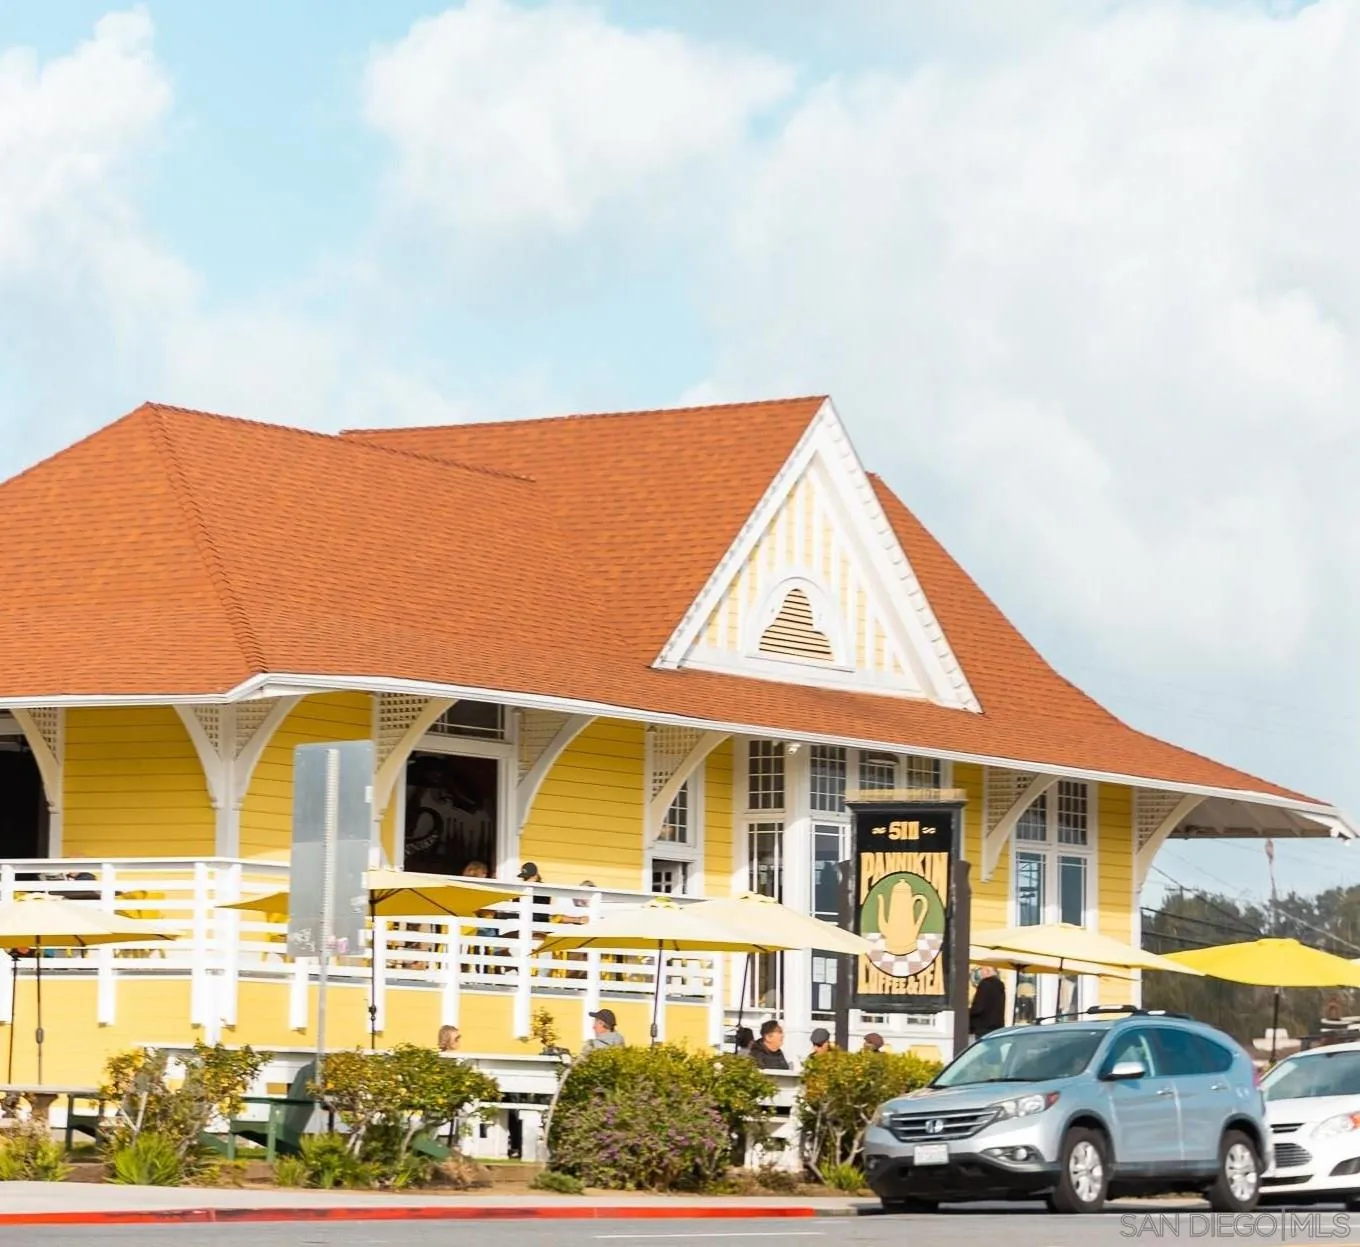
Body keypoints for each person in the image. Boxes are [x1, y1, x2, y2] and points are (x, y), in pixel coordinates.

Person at [969, 965, 1007, 1040]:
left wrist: (969, 1013)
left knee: (982, 1049)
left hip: (983, 1026)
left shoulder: (985, 984)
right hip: (997, 1026)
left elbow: (978, 1007)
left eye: (982, 970)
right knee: (994, 1048)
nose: (981, 973)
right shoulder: (1000, 986)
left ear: (987, 971)